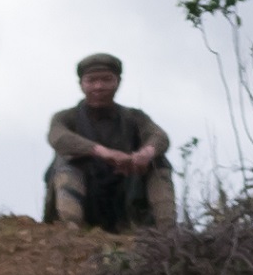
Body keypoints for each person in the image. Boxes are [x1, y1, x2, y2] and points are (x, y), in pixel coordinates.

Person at [45, 54, 176, 229]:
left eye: (106, 80)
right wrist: (104, 153)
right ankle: (70, 227)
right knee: (66, 159)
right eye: (91, 80)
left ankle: (167, 230)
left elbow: (159, 136)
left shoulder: (134, 117)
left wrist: (144, 155)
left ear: (118, 82)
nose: (99, 86)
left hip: (125, 200)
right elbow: (58, 137)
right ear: (81, 84)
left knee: (157, 160)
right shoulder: (66, 117)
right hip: (88, 200)